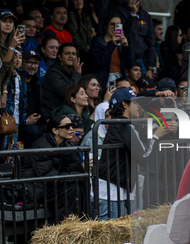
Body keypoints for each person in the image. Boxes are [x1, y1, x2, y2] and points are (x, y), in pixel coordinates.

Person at [97, 88, 170, 219]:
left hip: (115, 188)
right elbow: (144, 156)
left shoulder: (123, 124)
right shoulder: (123, 126)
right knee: (114, 237)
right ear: (125, 104)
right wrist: (156, 136)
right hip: (112, 191)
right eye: (135, 103)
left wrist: (156, 94)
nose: (139, 106)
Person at [20, 114, 85, 223]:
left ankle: (82, 224)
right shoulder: (41, 146)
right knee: (70, 188)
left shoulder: (65, 144)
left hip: (50, 186)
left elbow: (76, 169)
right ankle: (65, 227)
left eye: (71, 126)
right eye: (67, 126)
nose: (71, 129)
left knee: (81, 183)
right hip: (35, 188)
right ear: (55, 130)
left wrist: (74, 176)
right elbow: (48, 176)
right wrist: (71, 177)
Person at [90, 13, 133, 89]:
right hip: (106, 80)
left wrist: (126, 47)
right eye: (112, 24)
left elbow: (130, 64)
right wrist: (112, 43)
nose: (115, 27)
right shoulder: (97, 42)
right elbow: (100, 61)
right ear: (106, 26)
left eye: (118, 25)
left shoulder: (121, 43)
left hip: (121, 79)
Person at [42, 42, 82, 119]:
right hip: (54, 116)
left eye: (74, 54)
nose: (71, 56)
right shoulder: (53, 73)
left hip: (68, 114)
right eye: (67, 53)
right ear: (60, 57)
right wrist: (77, 73)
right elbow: (66, 92)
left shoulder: (74, 73)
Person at [116, 0, 154, 78]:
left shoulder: (146, 16)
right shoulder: (118, 12)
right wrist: (132, 14)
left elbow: (150, 43)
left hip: (141, 60)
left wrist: (150, 67)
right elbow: (120, 35)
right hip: (124, 58)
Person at [18, 49, 43, 148]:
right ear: (21, 63)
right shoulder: (17, 80)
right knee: (33, 130)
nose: (33, 66)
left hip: (35, 123)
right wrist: (25, 121)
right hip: (20, 125)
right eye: (29, 62)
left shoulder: (36, 81)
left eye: (36, 63)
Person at [0, 9, 24, 92]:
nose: (8, 24)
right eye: (4, 21)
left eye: (11, 22)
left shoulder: (10, 42)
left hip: (0, 86)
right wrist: (12, 46)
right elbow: (1, 68)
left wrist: (4, 91)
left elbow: (8, 70)